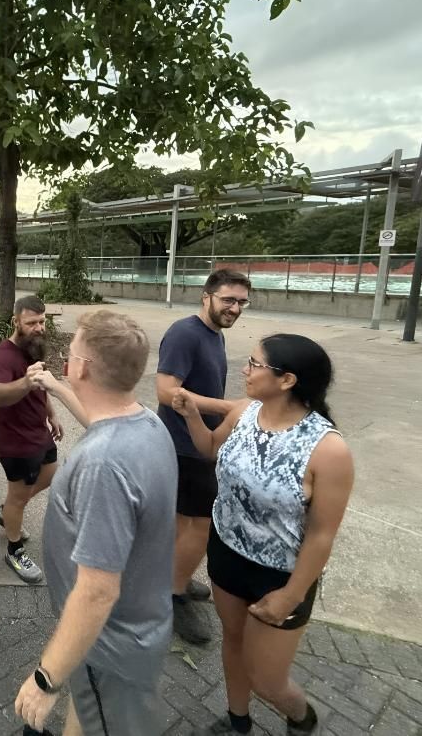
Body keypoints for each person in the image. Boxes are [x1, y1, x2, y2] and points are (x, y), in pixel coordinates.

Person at [171, 335, 354, 736]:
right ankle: (238, 721)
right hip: (227, 553)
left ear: (287, 380)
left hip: (281, 576)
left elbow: (322, 536)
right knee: (233, 642)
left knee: (268, 680)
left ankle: (301, 718)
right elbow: (210, 450)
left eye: (254, 364)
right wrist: (191, 416)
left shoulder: (327, 450)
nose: (244, 370)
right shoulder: (244, 412)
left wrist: (291, 595)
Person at [14, 310, 176, 736]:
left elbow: (98, 591)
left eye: (69, 355)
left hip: (109, 644)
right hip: (134, 628)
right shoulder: (146, 424)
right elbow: (100, 422)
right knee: (89, 716)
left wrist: (46, 678)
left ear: (82, 366)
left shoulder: (103, 467)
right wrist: (56, 387)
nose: (66, 361)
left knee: (101, 719)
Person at [156, 268, 252, 645]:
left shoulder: (213, 335)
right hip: (185, 446)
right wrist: (230, 407)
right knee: (200, 526)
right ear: (206, 296)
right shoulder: (185, 333)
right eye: (228, 299)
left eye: (242, 302)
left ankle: (173, 578)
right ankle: (172, 595)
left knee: (187, 524)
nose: (235, 308)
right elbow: (166, 391)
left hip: (202, 441)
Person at [0, 295, 62, 584]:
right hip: (16, 442)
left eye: (42, 321)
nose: (38, 327)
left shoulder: (34, 348)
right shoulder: (4, 356)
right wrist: (25, 382)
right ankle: (14, 549)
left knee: (51, 472)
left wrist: (52, 414)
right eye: (31, 322)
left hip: (38, 434)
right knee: (18, 496)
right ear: (16, 321)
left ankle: (7, 511)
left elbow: (40, 386)